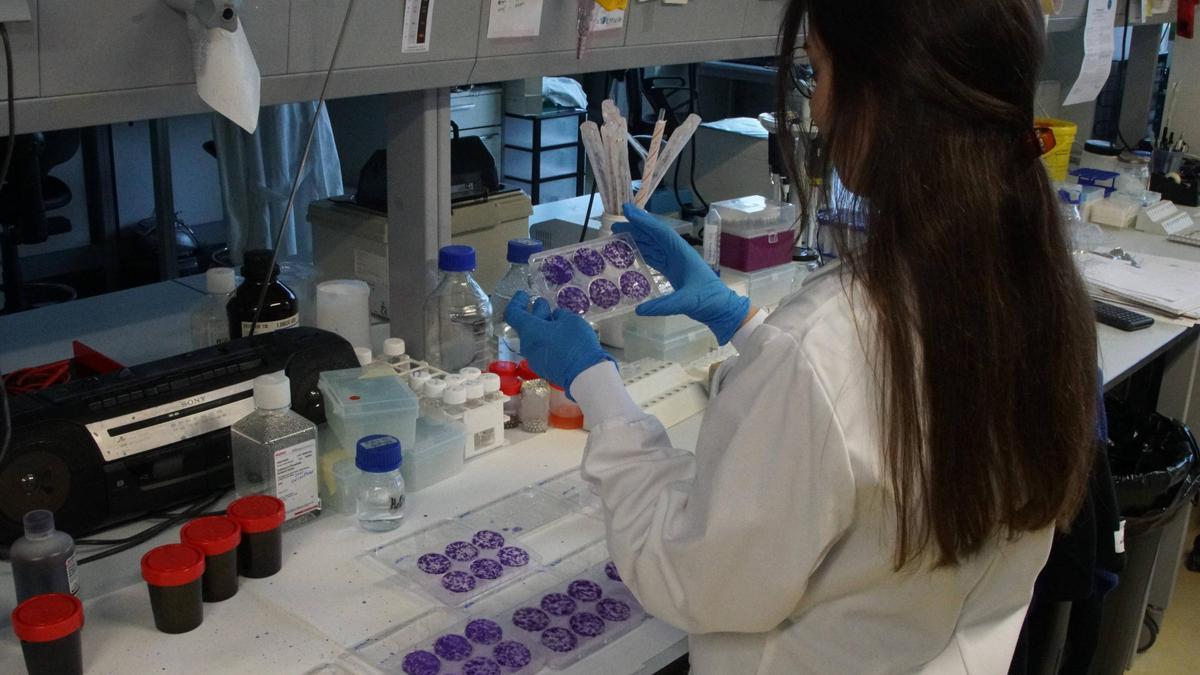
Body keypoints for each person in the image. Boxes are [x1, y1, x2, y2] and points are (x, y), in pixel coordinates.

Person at [504, 0, 1098, 672]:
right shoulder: (1031, 289)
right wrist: (744, 324)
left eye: (818, 71)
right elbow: (867, 425)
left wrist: (596, 386)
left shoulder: (829, 344)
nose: (816, 113)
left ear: (883, 96)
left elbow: (692, 576)